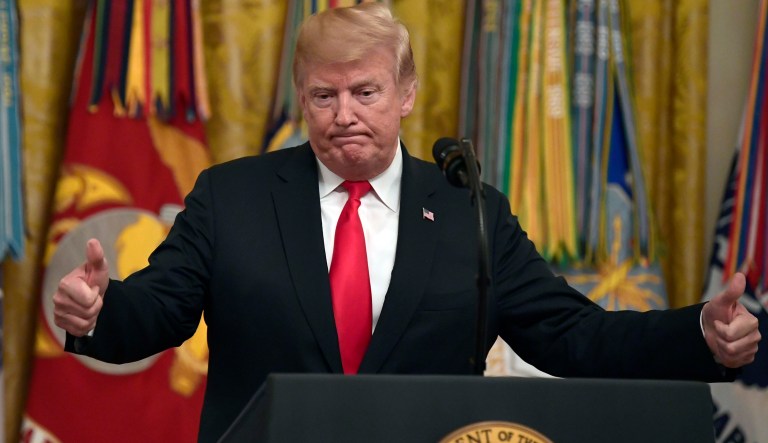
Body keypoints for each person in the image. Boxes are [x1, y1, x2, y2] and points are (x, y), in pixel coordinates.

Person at [53, 3, 760, 442]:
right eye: (324, 95)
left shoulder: (468, 210)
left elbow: (574, 336)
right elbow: (160, 311)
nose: (345, 113)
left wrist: (698, 332)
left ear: (407, 94)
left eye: (366, 91)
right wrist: (99, 308)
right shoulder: (231, 197)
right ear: (302, 99)